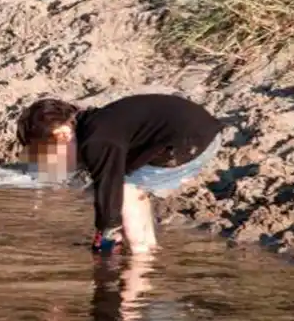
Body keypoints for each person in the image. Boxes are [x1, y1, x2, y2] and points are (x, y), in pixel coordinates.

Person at [16, 93, 224, 254]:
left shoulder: (96, 141)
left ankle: (139, 256)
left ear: (63, 134)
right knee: (131, 185)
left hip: (189, 141)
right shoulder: (97, 123)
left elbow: (109, 187)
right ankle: (149, 248)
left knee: (125, 191)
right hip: (201, 131)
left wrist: (106, 233)